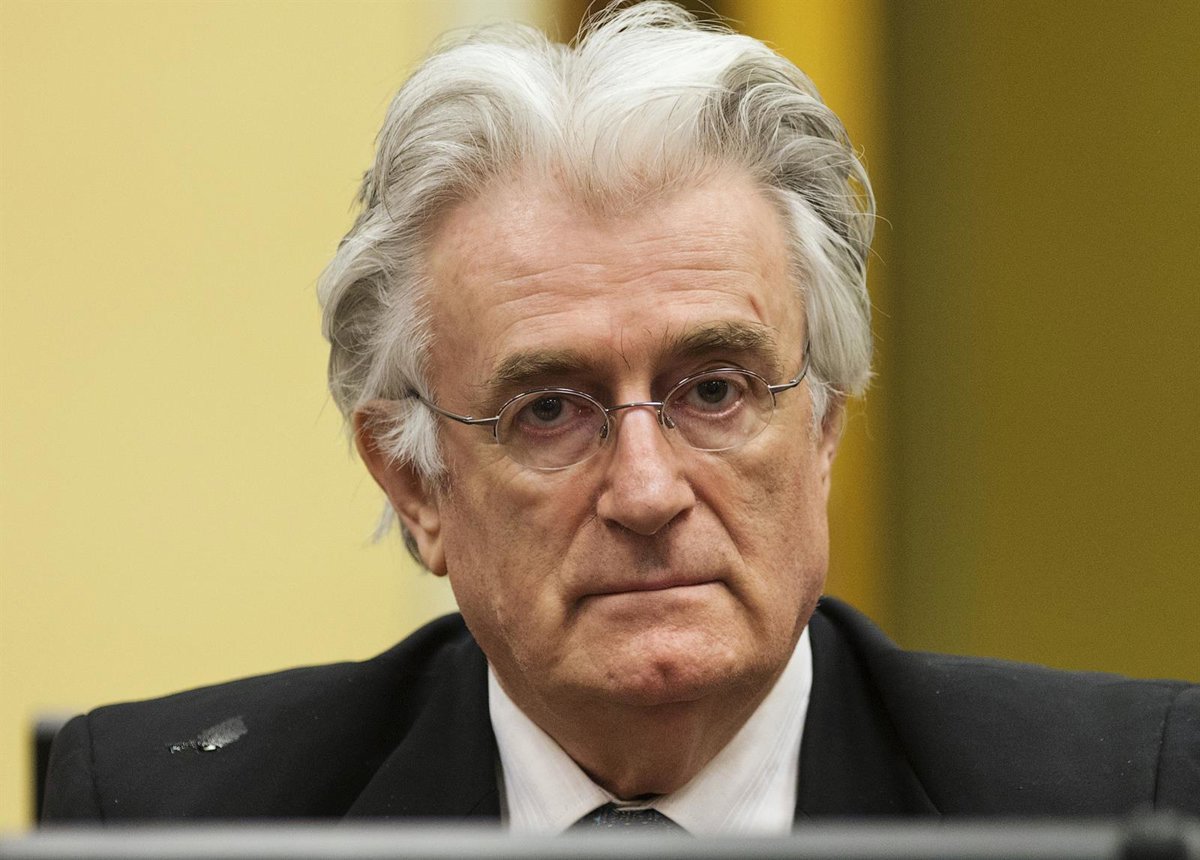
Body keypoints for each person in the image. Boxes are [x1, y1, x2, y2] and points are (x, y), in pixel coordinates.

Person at [42, 2, 1198, 831]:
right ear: (415, 481)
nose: (647, 489)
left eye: (716, 390)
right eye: (549, 408)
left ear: (825, 427)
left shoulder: (1122, 801)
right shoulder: (170, 817)